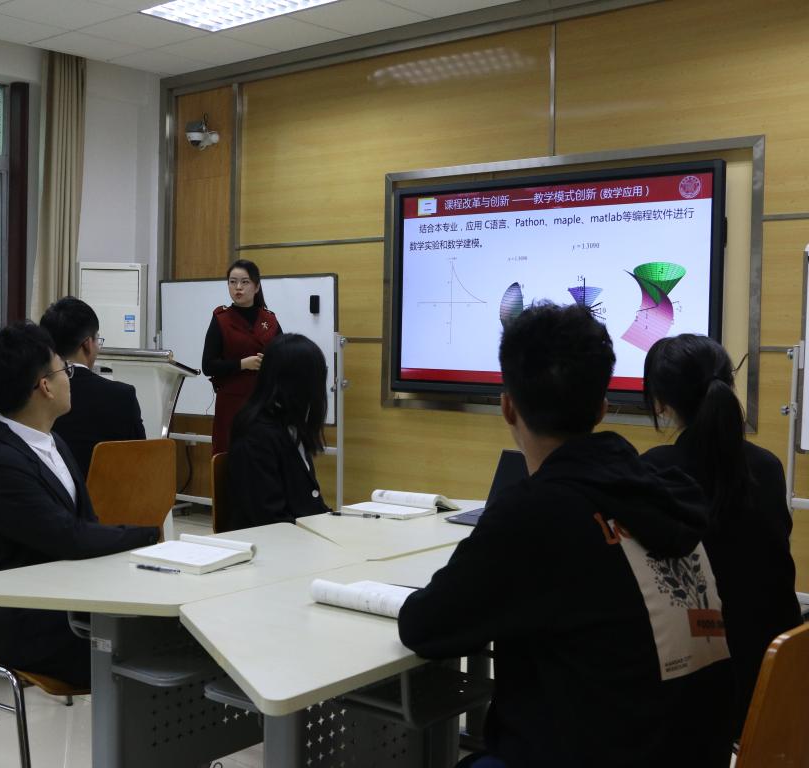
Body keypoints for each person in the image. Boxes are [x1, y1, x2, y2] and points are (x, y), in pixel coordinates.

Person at [397, 303, 733, 768]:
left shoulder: (532, 514)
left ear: (507, 406)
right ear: (602, 407)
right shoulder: (668, 492)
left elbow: (424, 626)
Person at [0, 321, 159, 687]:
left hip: (69, 595)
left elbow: (86, 525)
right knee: (157, 646)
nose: (70, 379)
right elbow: (69, 537)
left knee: (169, 624)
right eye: (64, 371)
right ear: (45, 386)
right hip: (31, 620)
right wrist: (148, 536)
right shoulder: (0, 463)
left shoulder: (50, 441)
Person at [642, 334, 801, 739]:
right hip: (774, 671)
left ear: (660, 402)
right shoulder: (767, 466)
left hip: (698, 683)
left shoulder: (656, 472)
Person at [227, 333, 330, 529]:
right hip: (270, 541)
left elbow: (306, 503)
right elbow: (269, 517)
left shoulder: (289, 423)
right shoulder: (256, 434)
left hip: (296, 535)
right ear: (297, 382)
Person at [39, 296, 145, 477]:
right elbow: (141, 459)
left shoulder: (35, 396)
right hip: (111, 493)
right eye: (97, 340)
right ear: (88, 344)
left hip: (45, 491)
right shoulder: (122, 396)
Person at [201, 259, 281, 454]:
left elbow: (284, 357)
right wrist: (242, 364)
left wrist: (271, 362)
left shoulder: (269, 319)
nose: (238, 287)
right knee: (230, 454)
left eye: (245, 282)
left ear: (256, 286)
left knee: (264, 454)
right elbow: (208, 366)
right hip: (232, 402)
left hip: (264, 400)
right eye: (232, 282)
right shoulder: (221, 318)